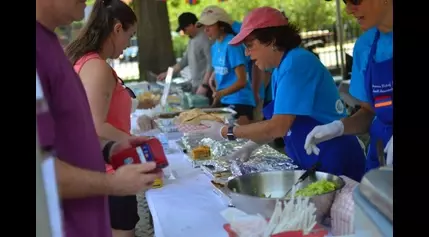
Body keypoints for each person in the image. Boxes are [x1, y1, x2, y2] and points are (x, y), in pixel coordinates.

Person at [195, 7, 366, 182]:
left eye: (250, 45)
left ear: (272, 40)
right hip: (313, 159)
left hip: (334, 159)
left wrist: (227, 131)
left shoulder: (296, 62)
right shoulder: (281, 68)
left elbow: (278, 126)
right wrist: (251, 145)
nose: (247, 53)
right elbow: (281, 122)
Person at [36, 0, 162, 236]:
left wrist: (110, 148)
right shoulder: (86, 63)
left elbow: (72, 133)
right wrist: (113, 184)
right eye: (130, 34)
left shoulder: (52, 45)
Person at [304, 0, 393, 171]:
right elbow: (368, 112)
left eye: (355, 0)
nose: (348, 9)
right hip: (381, 158)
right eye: (345, 2)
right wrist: (338, 127)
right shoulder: (365, 46)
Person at [197, 5, 256, 125]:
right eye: (204, 26)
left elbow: (242, 81)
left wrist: (221, 93)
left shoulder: (232, 44)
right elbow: (222, 72)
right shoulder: (215, 47)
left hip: (240, 102)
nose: (206, 30)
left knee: (236, 141)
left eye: (210, 25)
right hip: (225, 101)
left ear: (222, 25)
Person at [157, 12, 213, 99]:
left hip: (206, 87)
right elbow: (184, 61)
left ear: (191, 25)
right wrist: (168, 73)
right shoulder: (192, 39)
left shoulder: (205, 39)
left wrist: (204, 85)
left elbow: (211, 64)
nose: (183, 32)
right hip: (196, 85)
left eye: (184, 29)